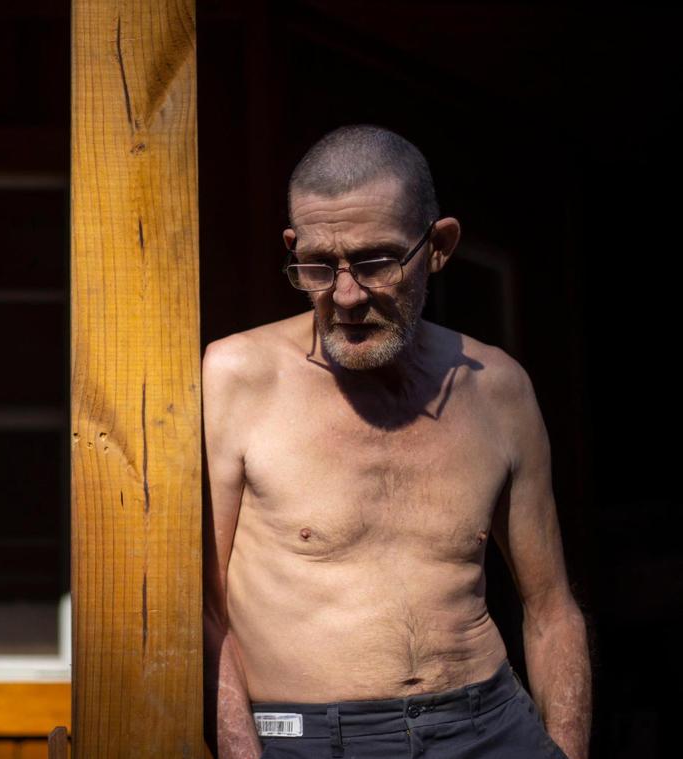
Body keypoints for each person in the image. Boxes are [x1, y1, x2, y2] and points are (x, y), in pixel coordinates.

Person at [202, 124, 591, 759]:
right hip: (309, 737)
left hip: (489, 724)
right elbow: (204, 615)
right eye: (319, 267)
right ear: (293, 248)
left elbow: (551, 611)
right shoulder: (236, 379)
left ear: (438, 246)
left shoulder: (498, 389)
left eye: (376, 261)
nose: (347, 294)